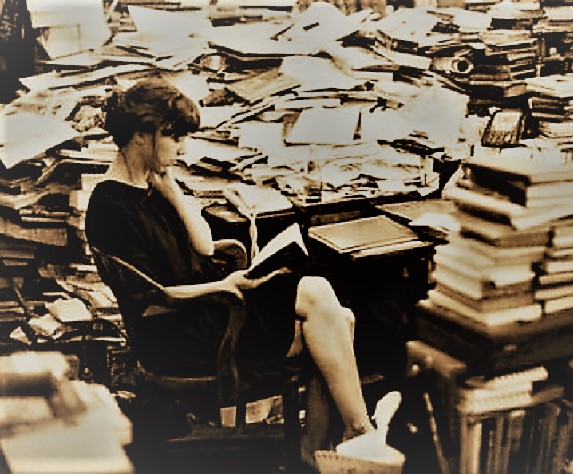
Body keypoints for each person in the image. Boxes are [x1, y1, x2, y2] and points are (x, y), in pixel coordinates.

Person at [85, 77, 377, 445]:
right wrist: (224, 287)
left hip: (207, 314)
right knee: (318, 295)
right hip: (180, 337)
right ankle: (355, 433)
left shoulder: (152, 185)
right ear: (142, 135)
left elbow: (205, 247)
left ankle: (322, 446)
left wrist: (173, 191)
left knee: (340, 319)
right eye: (175, 137)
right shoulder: (110, 207)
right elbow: (148, 301)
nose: (182, 147)